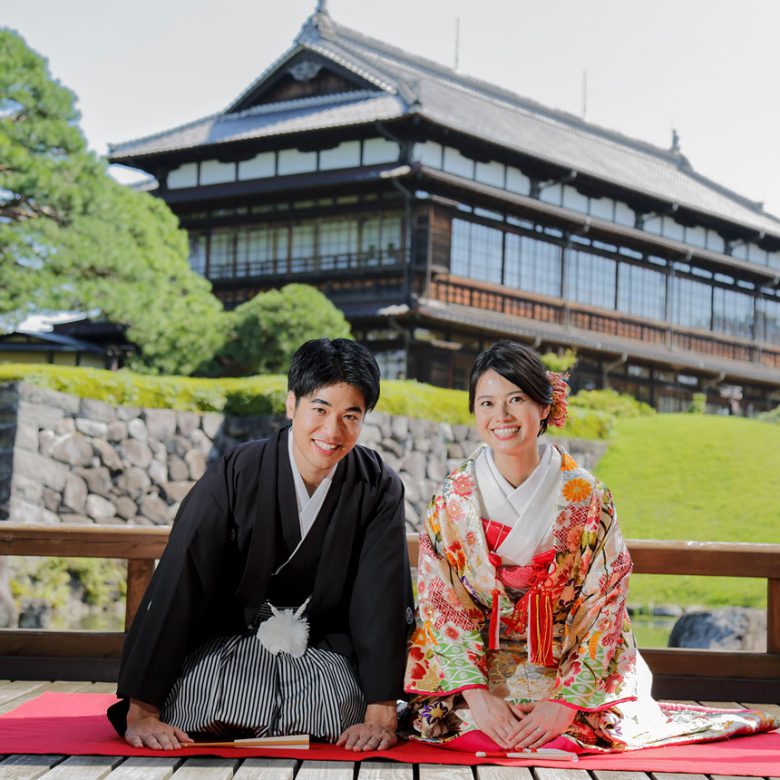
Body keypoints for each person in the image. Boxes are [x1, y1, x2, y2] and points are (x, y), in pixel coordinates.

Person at [403, 340, 777, 753]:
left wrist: (565, 702)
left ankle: (564, 712)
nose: (501, 416)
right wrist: (478, 696)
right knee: (464, 729)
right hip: (483, 673)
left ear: (544, 406)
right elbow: (443, 603)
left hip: (566, 662)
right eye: (487, 403)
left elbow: (606, 597)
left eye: (516, 399)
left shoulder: (586, 496)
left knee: (570, 734)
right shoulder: (453, 497)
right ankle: (488, 710)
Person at [108, 338, 414, 751]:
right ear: (292, 404)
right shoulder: (238, 471)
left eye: (350, 416)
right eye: (319, 410)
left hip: (322, 647)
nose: (332, 431)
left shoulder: (377, 485)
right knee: (198, 703)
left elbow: (380, 595)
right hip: (231, 641)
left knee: (342, 708)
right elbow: (184, 575)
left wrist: (380, 709)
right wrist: (143, 708)